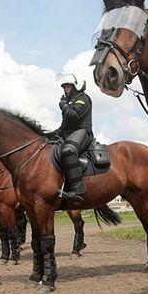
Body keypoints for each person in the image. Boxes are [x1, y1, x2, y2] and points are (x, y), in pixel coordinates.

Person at [52, 73, 94, 203]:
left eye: (68, 86)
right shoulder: (68, 101)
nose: (65, 89)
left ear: (75, 86)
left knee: (68, 150)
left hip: (83, 131)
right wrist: (51, 134)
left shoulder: (83, 98)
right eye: (64, 87)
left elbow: (73, 116)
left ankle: (77, 190)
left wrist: (63, 105)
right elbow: (65, 124)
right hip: (68, 133)